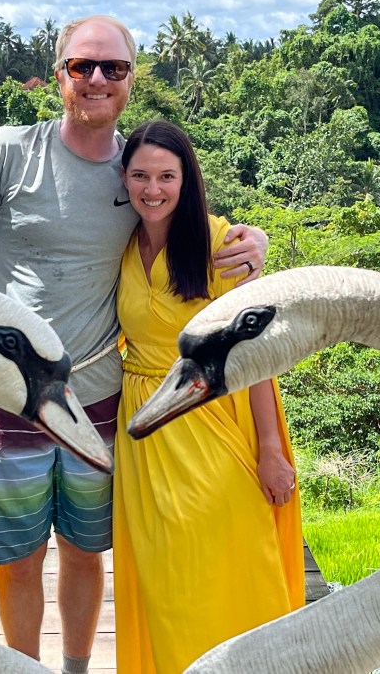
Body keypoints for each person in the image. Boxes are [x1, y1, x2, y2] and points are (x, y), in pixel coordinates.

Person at [0, 15, 270, 674]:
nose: (97, 78)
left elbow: (187, 220)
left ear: (131, 79)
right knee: (18, 556)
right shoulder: (7, 151)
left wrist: (251, 242)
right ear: (59, 75)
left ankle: (74, 668)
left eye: (113, 68)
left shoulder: (135, 170)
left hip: (99, 398)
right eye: (82, 66)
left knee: (83, 550)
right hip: (9, 393)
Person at [112, 120, 305, 673]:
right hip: (143, 427)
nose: (153, 189)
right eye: (140, 175)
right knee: (164, 579)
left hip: (212, 417)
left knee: (231, 562)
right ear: (123, 179)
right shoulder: (119, 241)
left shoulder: (221, 244)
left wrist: (271, 449)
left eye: (166, 176)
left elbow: (256, 354)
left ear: (187, 179)